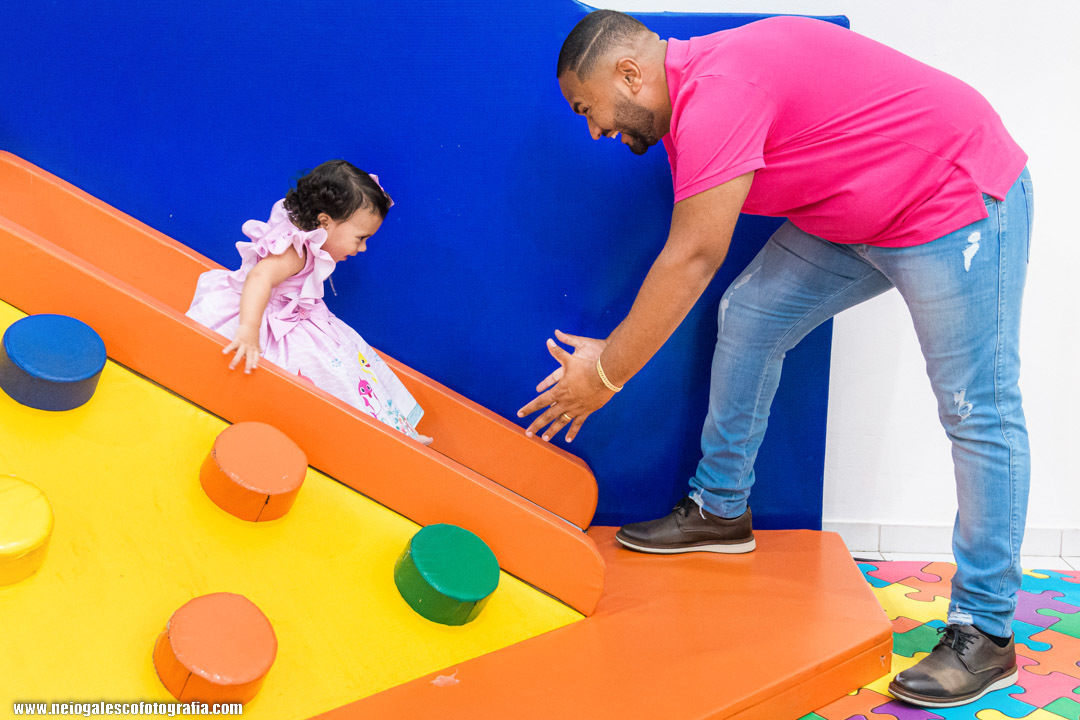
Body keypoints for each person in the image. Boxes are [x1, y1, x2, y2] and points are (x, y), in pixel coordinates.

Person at [518, 10, 1032, 709]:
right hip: (858, 217)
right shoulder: (691, 103)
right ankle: (720, 508)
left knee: (978, 409)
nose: (595, 130)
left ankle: (987, 631)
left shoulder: (720, 92)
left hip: (952, 197)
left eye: (589, 109)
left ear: (629, 74)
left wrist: (605, 374)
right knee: (752, 315)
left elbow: (693, 258)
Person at [187, 160, 429, 443]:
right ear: (325, 222)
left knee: (349, 358)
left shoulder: (306, 241)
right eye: (360, 238)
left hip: (299, 316)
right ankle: (382, 435)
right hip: (271, 320)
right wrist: (249, 328)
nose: (363, 248)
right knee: (332, 371)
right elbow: (260, 276)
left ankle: (393, 429)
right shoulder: (296, 252)